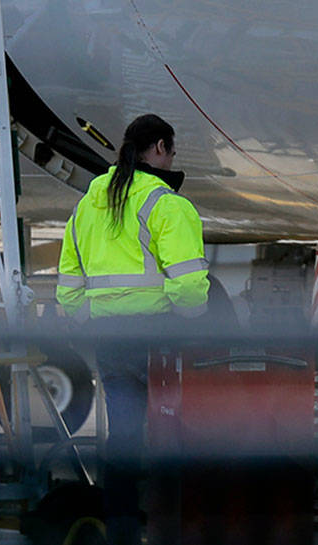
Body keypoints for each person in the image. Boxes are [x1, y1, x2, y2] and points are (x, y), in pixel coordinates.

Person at [56, 114, 209, 544]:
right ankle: (171, 526)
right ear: (159, 147)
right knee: (173, 431)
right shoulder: (166, 205)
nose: (172, 157)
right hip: (157, 334)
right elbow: (190, 284)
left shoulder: (89, 204)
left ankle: (120, 527)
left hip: (110, 336)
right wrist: (192, 320)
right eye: (172, 150)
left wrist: (88, 314)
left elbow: (69, 280)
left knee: (122, 435)